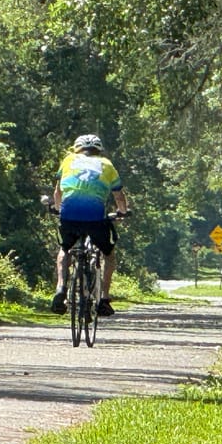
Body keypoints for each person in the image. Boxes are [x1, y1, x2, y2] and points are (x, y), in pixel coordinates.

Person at [50, 134, 128, 316]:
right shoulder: (107, 165)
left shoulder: (68, 160)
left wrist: (57, 208)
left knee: (65, 249)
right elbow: (118, 195)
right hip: (95, 217)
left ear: (77, 148)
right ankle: (103, 298)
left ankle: (60, 288)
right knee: (109, 254)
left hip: (69, 214)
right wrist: (122, 212)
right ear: (98, 150)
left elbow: (58, 191)